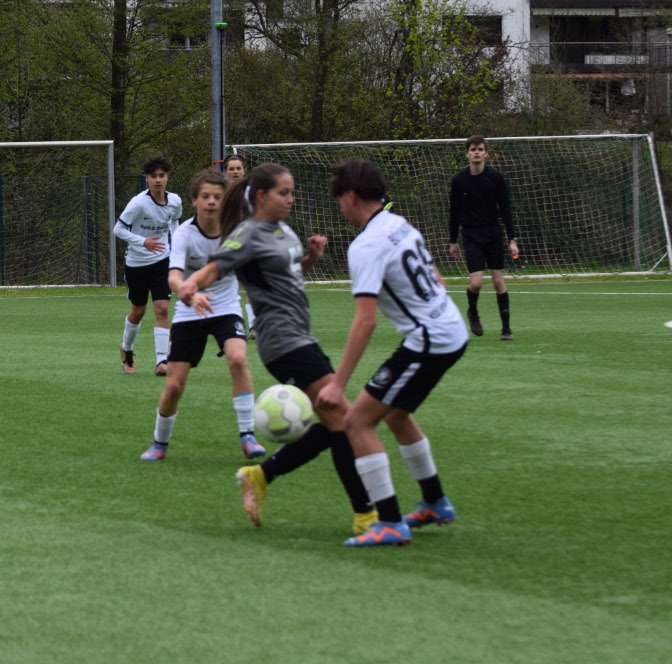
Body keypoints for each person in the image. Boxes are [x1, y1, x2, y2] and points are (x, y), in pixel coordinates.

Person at [178, 162, 376, 535]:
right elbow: (216, 267)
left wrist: (310, 258)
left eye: (292, 192)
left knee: (335, 422)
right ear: (262, 196)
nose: (290, 199)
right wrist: (193, 285)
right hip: (281, 341)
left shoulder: (283, 230)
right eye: (283, 193)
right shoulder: (248, 233)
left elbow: (287, 277)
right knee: (343, 418)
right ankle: (366, 514)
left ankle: (261, 475)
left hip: (301, 335)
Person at [319, 159, 468, 547]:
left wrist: (337, 384)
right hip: (450, 327)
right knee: (397, 414)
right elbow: (436, 279)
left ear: (351, 196)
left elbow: (365, 321)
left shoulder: (365, 246)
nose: (341, 207)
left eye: (339, 199)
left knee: (357, 422)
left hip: (430, 339)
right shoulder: (399, 223)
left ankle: (389, 522)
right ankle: (435, 502)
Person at [140, 170, 266, 462]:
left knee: (238, 359)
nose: (211, 202)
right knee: (174, 385)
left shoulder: (237, 231)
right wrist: (190, 292)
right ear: (194, 200)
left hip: (226, 307)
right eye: (205, 196)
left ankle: (248, 436)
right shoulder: (184, 234)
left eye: (218, 197)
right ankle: (159, 443)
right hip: (189, 310)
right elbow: (173, 277)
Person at [114, 156, 182, 376]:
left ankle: (162, 361)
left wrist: (176, 244)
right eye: (154, 176)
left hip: (162, 260)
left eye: (162, 175)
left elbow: (174, 221)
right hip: (137, 263)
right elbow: (118, 229)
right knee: (139, 311)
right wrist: (143, 242)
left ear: (167, 177)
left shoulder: (175, 201)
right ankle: (127, 348)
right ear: (147, 179)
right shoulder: (138, 203)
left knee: (162, 308)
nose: (158, 180)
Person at [449, 135, 518, 340]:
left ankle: (506, 329)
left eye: (480, 149)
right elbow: (454, 212)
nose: (476, 152)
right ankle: (472, 311)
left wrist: (512, 238)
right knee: (477, 283)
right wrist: (452, 241)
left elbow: (505, 209)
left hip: (492, 233)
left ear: (486, 153)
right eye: (473, 149)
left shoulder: (495, 178)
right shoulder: (459, 180)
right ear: (467, 154)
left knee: (498, 281)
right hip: (471, 234)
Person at [222, 154, 258, 340]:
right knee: (229, 288)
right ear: (225, 171)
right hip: (226, 246)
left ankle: (253, 326)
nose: (235, 172)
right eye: (231, 169)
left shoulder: (253, 193)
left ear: (244, 171)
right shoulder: (219, 193)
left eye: (238, 168)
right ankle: (230, 326)